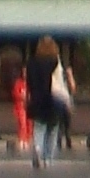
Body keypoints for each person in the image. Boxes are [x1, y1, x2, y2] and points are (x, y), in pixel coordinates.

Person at [26, 36, 62, 168]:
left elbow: (29, 83)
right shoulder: (55, 62)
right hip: (53, 100)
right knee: (52, 130)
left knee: (39, 128)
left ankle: (37, 148)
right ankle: (48, 158)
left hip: (37, 100)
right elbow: (60, 82)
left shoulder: (31, 63)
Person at [56, 63, 77, 150]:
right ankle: (59, 142)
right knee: (60, 125)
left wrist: (70, 77)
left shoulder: (69, 82)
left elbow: (73, 89)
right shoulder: (60, 82)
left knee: (67, 125)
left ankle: (68, 142)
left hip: (67, 104)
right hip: (61, 104)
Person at [12, 68, 31, 151]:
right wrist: (22, 97)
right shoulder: (18, 83)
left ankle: (26, 140)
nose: (25, 74)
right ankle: (21, 140)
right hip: (20, 106)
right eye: (24, 72)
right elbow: (15, 93)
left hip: (29, 107)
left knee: (29, 124)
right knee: (22, 124)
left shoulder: (31, 83)